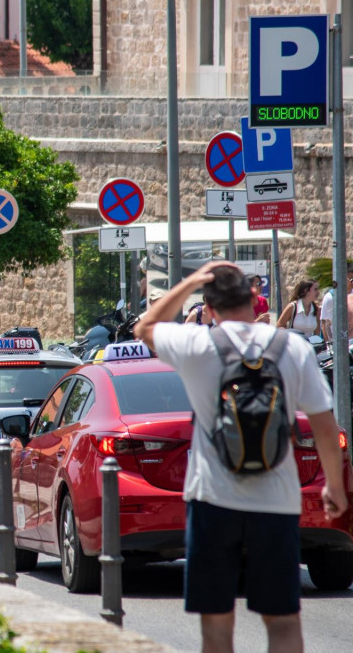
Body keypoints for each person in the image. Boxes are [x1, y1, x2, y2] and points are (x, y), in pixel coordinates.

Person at [134, 262, 347, 653]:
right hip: (277, 503)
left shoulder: (198, 345)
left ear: (209, 309)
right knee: (282, 623)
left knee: (216, 626)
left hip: (212, 500)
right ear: (254, 299)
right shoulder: (292, 347)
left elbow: (144, 327)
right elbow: (323, 423)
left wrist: (187, 284)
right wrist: (333, 485)